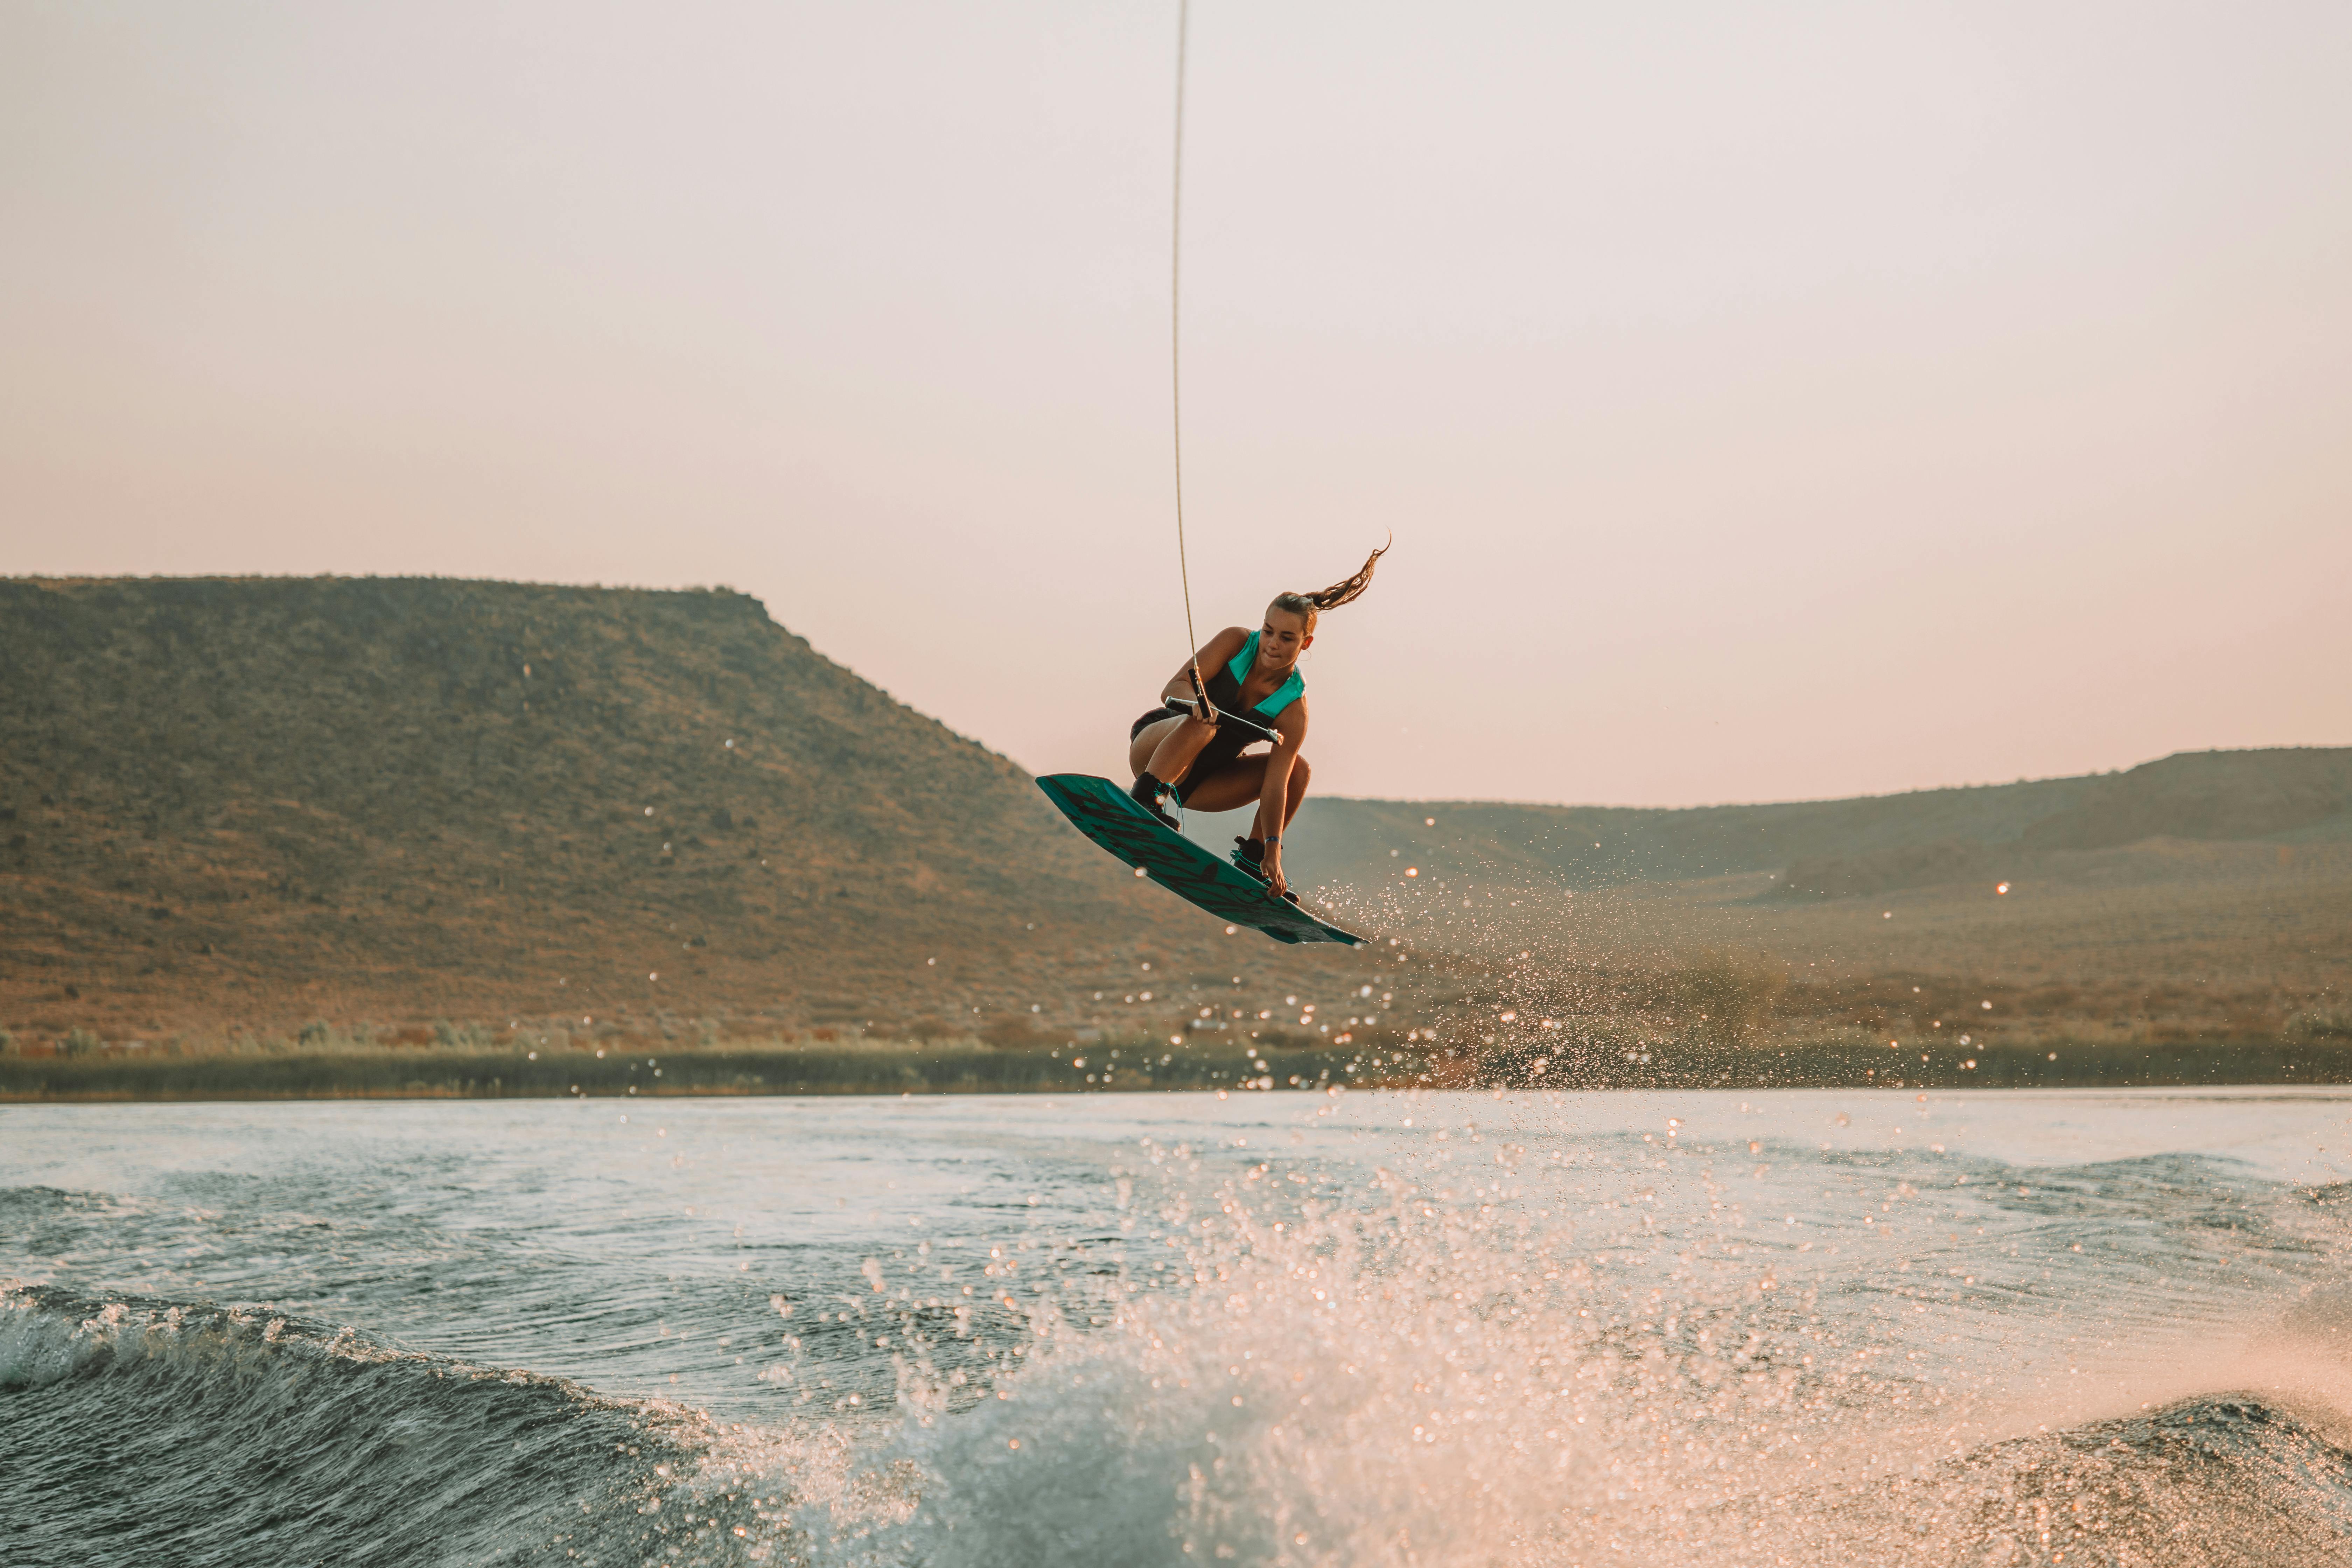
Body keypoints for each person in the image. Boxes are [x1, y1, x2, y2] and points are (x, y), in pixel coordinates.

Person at [1126, 544, 1386, 900]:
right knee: (1206, 724)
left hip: (1203, 782)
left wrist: (1272, 850)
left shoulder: (1293, 709)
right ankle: (1145, 799)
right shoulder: (1235, 642)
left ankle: (1252, 862)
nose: (1273, 643)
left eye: (1287, 637)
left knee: (1299, 770)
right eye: (1268, 631)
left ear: (1306, 643)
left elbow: (1276, 786)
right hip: (1156, 753)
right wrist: (1196, 706)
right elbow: (1173, 687)